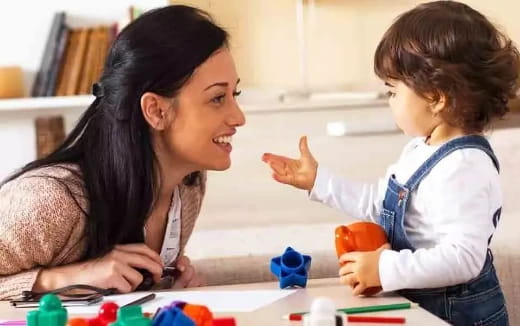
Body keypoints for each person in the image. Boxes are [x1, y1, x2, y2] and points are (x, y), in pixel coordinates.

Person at [262, 1, 518, 325]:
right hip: (419, 304)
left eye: (392, 91)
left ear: (436, 97)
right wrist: (319, 181)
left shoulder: (465, 167)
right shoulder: (419, 149)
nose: (390, 101)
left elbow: (464, 258)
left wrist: (385, 268)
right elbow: (379, 203)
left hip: (456, 314)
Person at [0, 5, 245, 300]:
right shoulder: (50, 202)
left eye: (235, 94)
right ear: (155, 110)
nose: (238, 117)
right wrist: (61, 280)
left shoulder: (188, 184)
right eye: (218, 98)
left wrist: (163, 288)